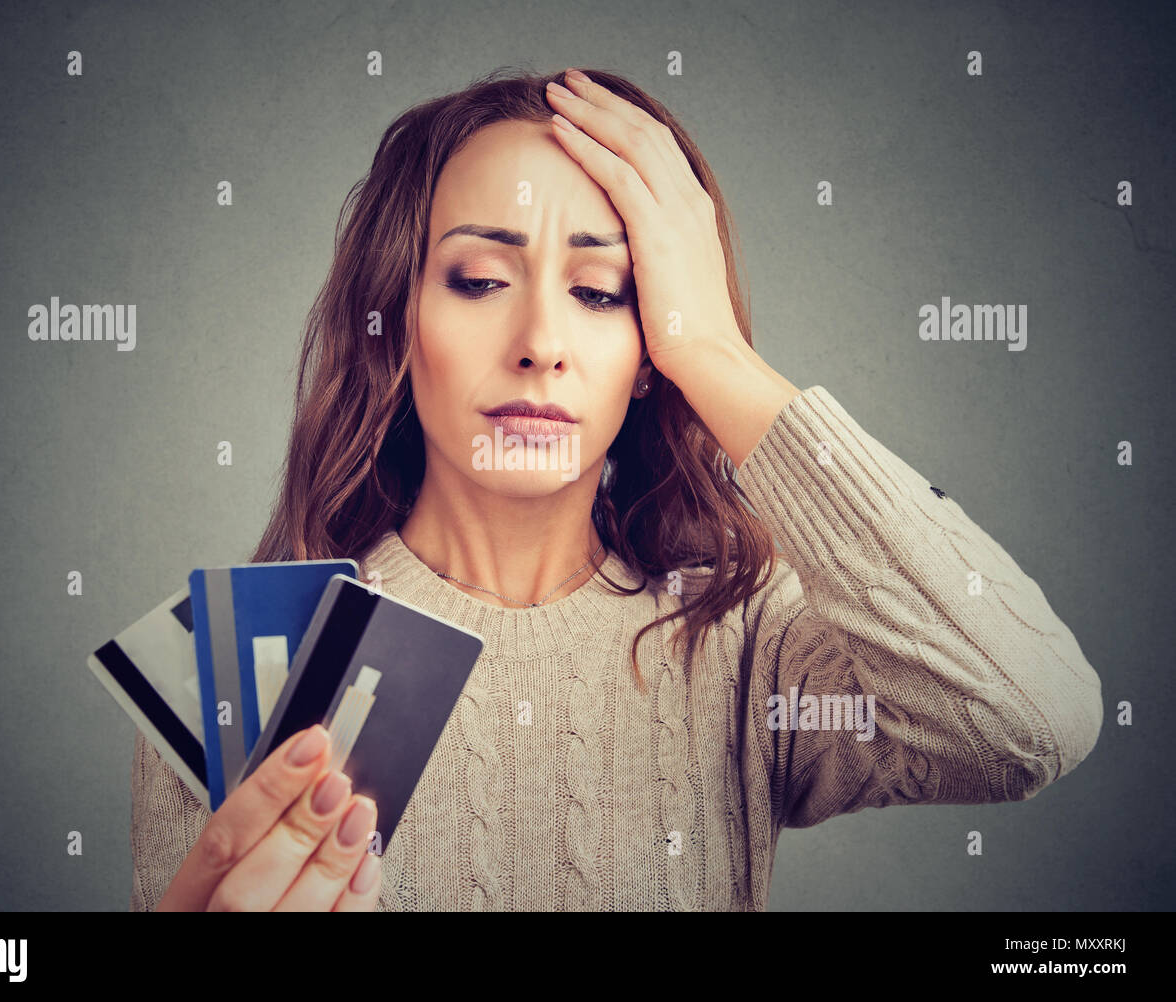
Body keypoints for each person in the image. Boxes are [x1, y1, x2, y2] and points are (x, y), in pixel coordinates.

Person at [130, 67, 1103, 912]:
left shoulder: (742, 635)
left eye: (601, 292)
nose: (540, 344)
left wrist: (712, 350)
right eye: (476, 279)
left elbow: (1029, 721)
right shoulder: (244, 672)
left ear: (648, 359)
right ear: (394, 319)